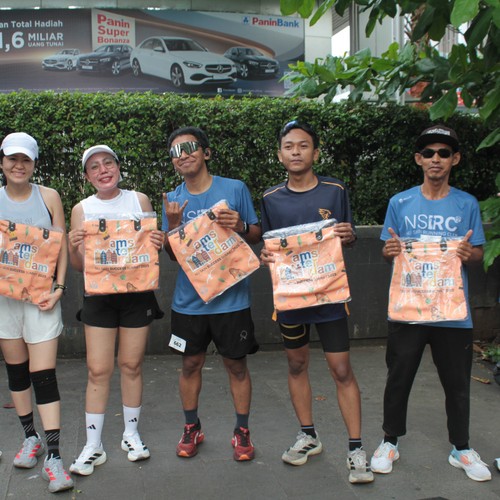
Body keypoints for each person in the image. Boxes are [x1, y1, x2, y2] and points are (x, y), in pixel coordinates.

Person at [370, 125, 491, 482]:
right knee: (399, 378)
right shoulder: (400, 202)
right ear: (418, 159)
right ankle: (390, 441)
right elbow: (387, 250)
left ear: (455, 159)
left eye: (444, 153)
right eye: (429, 153)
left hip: (453, 312)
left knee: (457, 384)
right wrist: (390, 250)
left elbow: (478, 253)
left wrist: (468, 254)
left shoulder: (467, 203)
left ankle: (461, 448)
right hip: (408, 308)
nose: (436, 159)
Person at [260, 120, 374, 484]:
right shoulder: (270, 198)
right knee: (296, 364)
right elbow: (269, 245)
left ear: (316, 152)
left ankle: (356, 448)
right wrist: (265, 255)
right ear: (280, 155)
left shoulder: (334, 190)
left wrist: (349, 234)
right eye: (289, 146)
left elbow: (347, 236)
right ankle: (308, 435)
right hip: (291, 299)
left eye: (303, 145)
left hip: (329, 297)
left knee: (341, 369)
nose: (296, 151)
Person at [163, 126, 260, 461]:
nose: (183, 155)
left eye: (189, 147)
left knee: (236, 365)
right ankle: (192, 427)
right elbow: (172, 256)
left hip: (232, 300)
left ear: (206, 152)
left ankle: (242, 431)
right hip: (189, 303)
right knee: (191, 363)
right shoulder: (172, 199)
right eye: (175, 152)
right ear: (173, 162)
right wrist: (173, 227)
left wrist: (240, 225)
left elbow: (256, 233)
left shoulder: (234, 189)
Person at [68, 145, 164, 475]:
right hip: (99, 297)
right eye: (94, 167)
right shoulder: (82, 209)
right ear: (87, 177)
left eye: (108, 163)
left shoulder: (139, 200)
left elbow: (150, 249)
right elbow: (79, 266)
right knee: (98, 370)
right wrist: (74, 247)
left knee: (131, 365)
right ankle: (93, 445)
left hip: (137, 295)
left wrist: (157, 242)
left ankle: (130, 435)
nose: (103, 170)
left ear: (119, 167)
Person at [0, 132, 73, 493]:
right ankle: (31, 437)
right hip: (5, 302)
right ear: (2, 162)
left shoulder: (49, 197)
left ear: (34, 164)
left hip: (42, 299)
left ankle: (54, 457)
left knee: (43, 376)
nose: (18, 165)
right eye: (12, 159)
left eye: (25, 159)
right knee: (16, 373)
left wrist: (59, 288)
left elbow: (61, 246)